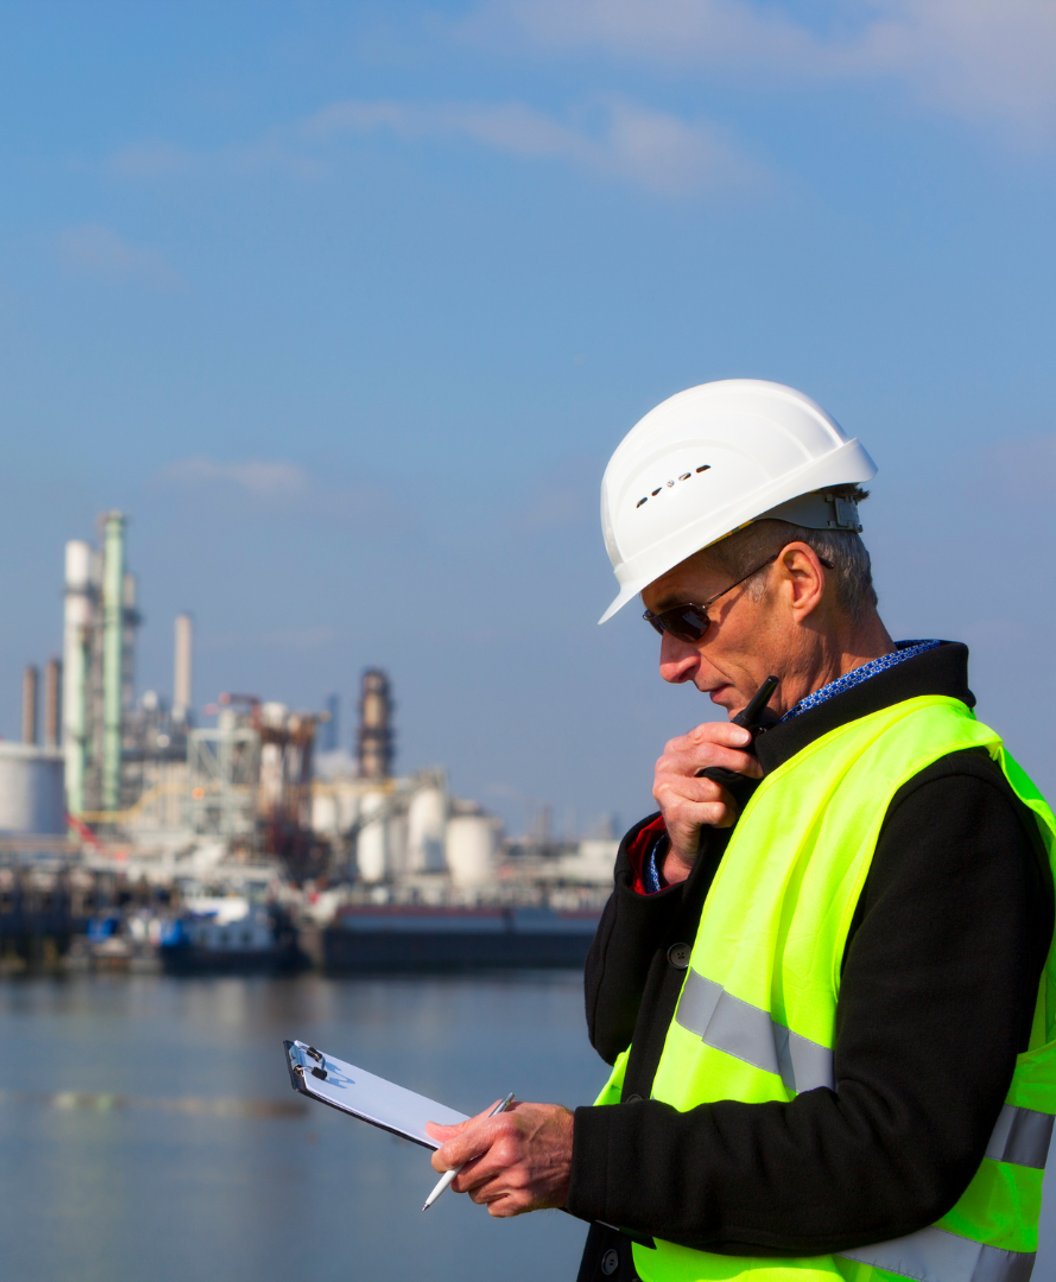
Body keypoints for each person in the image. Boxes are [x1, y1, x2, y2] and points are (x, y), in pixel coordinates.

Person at [424, 379, 1056, 1281]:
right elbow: (621, 1037)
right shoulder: (775, 769)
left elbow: (898, 1150)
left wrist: (586, 1159)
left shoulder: (947, 802)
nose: (670, 664)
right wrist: (667, 865)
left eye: (688, 618)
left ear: (800, 580)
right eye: (656, 626)